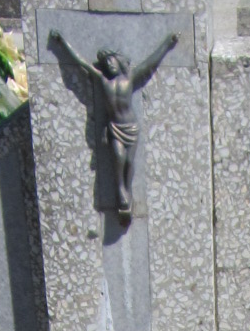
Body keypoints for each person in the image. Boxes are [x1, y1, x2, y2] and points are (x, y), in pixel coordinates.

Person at [47, 28, 178, 224]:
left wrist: (167, 44)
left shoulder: (129, 78)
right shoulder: (103, 80)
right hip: (114, 127)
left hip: (130, 127)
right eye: (106, 63)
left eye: (112, 61)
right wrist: (62, 43)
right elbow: (81, 63)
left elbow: (150, 63)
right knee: (118, 157)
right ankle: (120, 191)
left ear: (118, 61)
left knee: (129, 162)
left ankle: (128, 190)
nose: (109, 64)